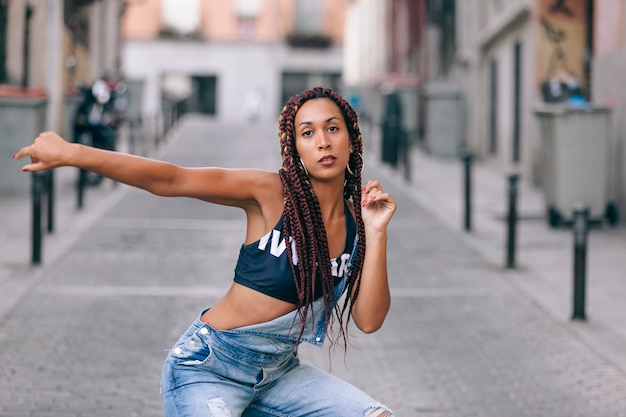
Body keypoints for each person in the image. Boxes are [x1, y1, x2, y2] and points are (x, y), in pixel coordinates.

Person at [14, 86, 397, 416]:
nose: (323, 142)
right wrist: (73, 153)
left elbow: (368, 320)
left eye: (332, 129)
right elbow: (171, 178)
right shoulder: (269, 194)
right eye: (307, 133)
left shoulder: (357, 224)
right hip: (207, 369)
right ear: (295, 147)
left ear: (352, 139)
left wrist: (376, 231)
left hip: (279, 375)